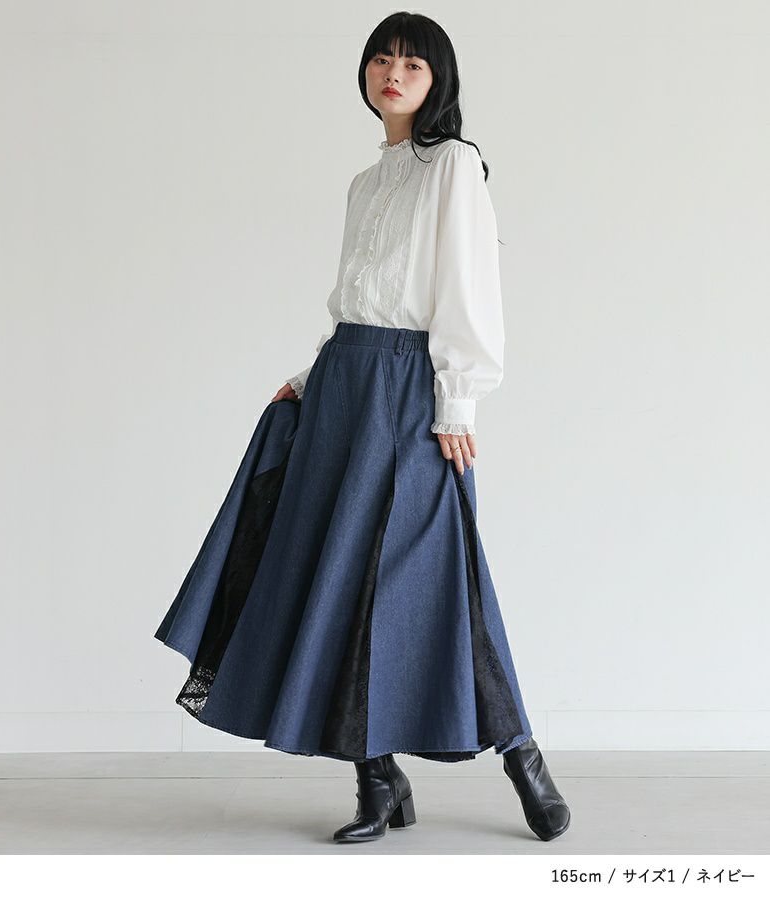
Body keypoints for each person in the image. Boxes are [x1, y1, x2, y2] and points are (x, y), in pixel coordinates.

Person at [154, 11, 570, 844]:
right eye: (382, 59)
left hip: (411, 390)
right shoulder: (366, 182)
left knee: (439, 576)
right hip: (346, 384)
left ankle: (522, 756)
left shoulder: (454, 165)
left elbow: (467, 286)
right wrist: (314, 377)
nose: (393, 73)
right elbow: (360, 298)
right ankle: (376, 781)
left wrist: (458, 399)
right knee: (336, 574)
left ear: (438, 78)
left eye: (412, 63)